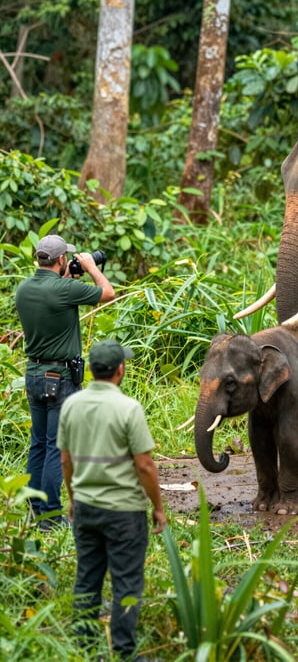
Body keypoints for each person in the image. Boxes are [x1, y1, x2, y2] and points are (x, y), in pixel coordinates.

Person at [58, 339, 166, 662]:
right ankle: (124, 652)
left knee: (87, 579)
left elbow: (65, 460)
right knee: (127, 582)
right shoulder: (128, 408)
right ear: (120, 370)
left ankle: (85, 649)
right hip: (124, 513)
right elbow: (145, 465)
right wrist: (158, 507)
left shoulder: (71, 406)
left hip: (86, 508)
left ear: (92, 370)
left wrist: (74, 498)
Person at [15, 234, 116, 526]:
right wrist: (91, 266)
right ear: (61, 259)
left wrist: (67, 277)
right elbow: (108, 293)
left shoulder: (24, 289)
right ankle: (50, 516)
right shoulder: (66, 289)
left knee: (38, 444)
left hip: (34, 375)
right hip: (60, 379)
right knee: (56, 446)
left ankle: (35, 510)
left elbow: (52, 296)